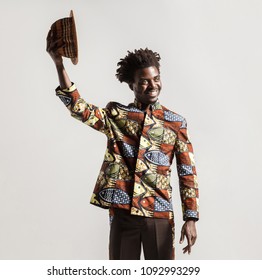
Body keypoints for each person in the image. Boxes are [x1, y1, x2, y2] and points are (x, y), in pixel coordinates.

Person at [47, 33, 199, 260]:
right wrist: (59, 64)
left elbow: (187, 172)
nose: (152, 85)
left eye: (156, 78)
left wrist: (191, 217)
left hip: (159, 214)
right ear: (132, 84)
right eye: (145, 80)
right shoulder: (118, 115)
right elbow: (79, 108)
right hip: (122, 213)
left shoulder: (175, 122)